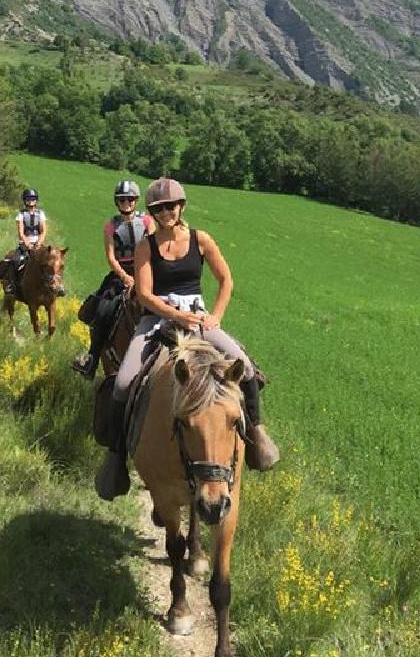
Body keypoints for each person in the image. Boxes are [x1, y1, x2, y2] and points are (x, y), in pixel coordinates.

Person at [95, 176, 279, 500]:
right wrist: (176, 316)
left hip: (200, 319)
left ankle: (256, 434)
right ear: (152, 211)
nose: (166, 212)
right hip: (156, 320)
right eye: (159, 208)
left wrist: (216, 317)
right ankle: (116, 456)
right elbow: (145, 294)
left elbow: (226, 280)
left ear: (181, 207)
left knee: (245, 367)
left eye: (171, 206)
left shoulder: (200, 240)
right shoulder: (145, 247)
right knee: (123, 382)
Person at [72, 180, 155, 379]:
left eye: (129, 199)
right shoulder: (110, 226)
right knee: (102, 309)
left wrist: (143, 274)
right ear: (117, 202)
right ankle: (92, 357)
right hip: (121, 274)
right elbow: (111, 257)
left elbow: (154, 248)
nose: (126, 203)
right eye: (121, 200)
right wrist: (125, 277)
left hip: (145, 270)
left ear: (135, 200)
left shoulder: (147, 221)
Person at [0, 188, 47, 297]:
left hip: (38, 244)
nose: (31, 201)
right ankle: (11, 285)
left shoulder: (41, 214)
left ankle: (54, 286)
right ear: (25, 200)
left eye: (33, 198)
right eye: (28, 199)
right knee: (16, 261)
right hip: (25, 245)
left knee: (50, 262)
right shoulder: (20, 215)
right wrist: (28, 244)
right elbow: (21, 232)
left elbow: (43, 231)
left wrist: (39, 242)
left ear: (36, 200)